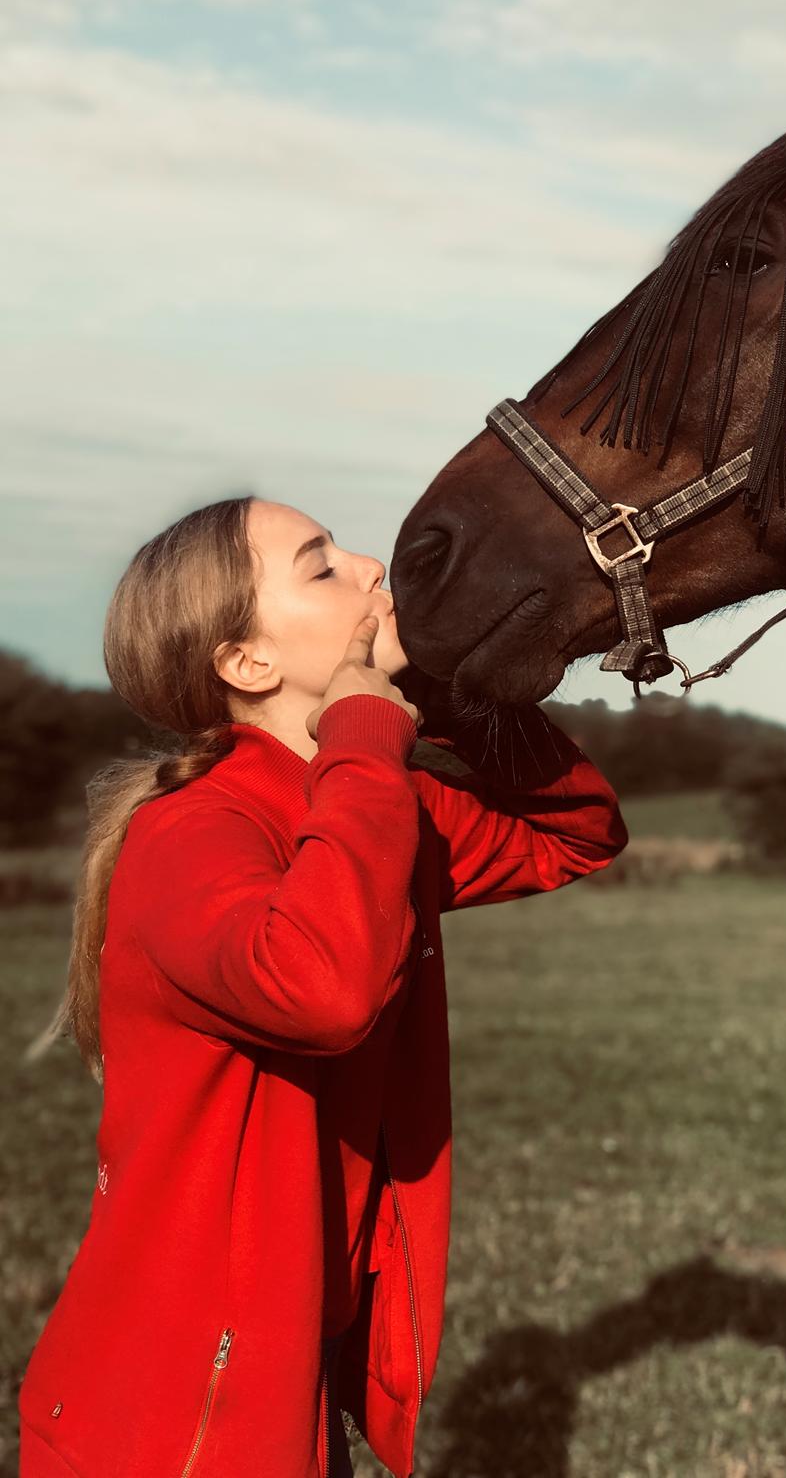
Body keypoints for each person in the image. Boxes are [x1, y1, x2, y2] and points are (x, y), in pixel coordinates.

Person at [18, 495, 628, 1477]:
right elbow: (321, 986)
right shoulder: (192, 834)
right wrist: (363, 736)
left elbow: (578, 835)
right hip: (175, 1411)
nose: (370, 567)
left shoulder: (372, 802)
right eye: (320, 566)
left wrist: (456, 692)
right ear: (246, 663)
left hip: (281, 1366)